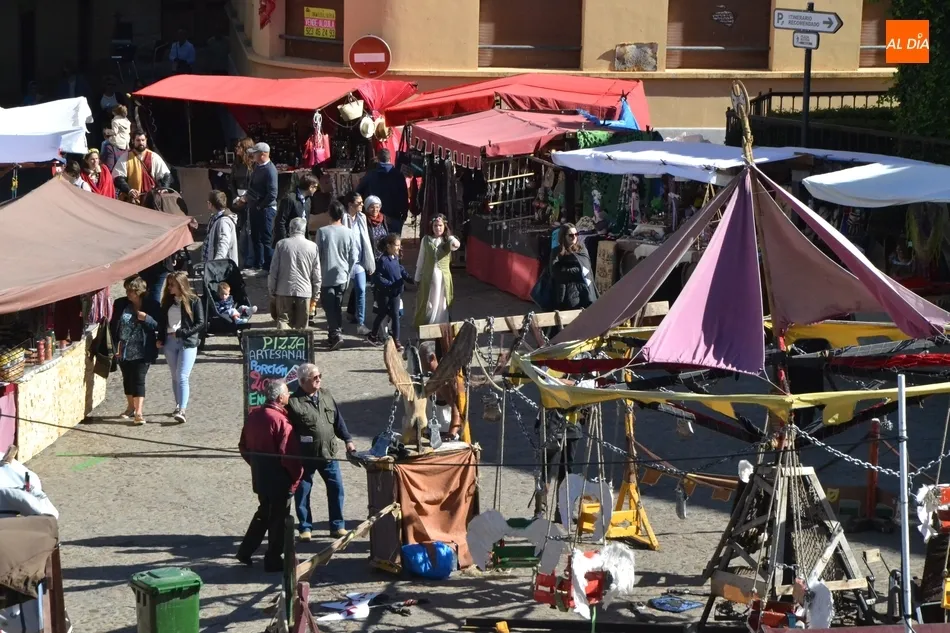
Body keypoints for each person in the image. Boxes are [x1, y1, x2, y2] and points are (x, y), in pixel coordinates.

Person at [237, 380, 303, 571]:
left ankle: (245, 550)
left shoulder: (254, 416)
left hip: (260, 475)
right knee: (278, 520)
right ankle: (273, 559)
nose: (289, 396)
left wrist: (256, 464)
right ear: (280, 397)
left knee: (264, 513)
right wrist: (295, 478)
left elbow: (243, 446)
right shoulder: (280, 420)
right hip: (279, 478)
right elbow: (288, 455)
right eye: (287, 393)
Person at [286, 364, 355, 540]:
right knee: (303, 492)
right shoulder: (293, 402)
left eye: (319, 376)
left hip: (328, 454)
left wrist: (348, 440)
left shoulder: (326, 395)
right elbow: (287, 432)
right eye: (314, 377)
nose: (319, 380)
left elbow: (338, 421)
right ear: (303, 381)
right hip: (305, 456)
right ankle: (305, 528)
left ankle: (337, 526)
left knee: (336, 489)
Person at [110, 276, 161, 426]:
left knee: (139, 379)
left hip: (142, 348)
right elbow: (114, 324)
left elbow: (159, 325)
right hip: (124, 349)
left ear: (138, 291)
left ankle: (139, 412)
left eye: (130, 290)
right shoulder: (120, 303)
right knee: (127, 378)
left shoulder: (152, 305)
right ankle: (130, 407)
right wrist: (114, 345)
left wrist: (147, 318)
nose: (127, 293)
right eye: (126, 290)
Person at [157, 271, 204, 425]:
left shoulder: (194, 300)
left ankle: (182, 410)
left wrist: (183, 333)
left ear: (181, 285)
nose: (169, 287)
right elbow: (162, 322)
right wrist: (160, 338)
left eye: (172, 285)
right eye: (169, 284)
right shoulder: (167, 301)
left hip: (187, 342)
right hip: (170, 342)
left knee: (182, 375)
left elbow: (200, 323)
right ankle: (178, 405)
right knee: (175, 375)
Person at [317, 201, 358, 349]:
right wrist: (348, 271)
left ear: (329, 214)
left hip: (326, 274)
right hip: (342, 275)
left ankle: (335, 334)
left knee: (329, 307)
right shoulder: (349, 232)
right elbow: (353, 256)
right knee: (337, 305)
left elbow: (317, 255)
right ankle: (334, 334)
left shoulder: (322, 232)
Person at [269, 217, 322, 330]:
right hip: (304, 291)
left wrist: (272, 290)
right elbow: (316, 274)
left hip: (283, 290)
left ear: (290, 229)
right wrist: (316, 294)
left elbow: (273, 271)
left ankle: (284, 341)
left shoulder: (281, 244)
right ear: (304, 229)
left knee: (283, 321)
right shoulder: (313, 246)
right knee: (301, 327)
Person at [414, 214, 461, 328]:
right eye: (435, 225)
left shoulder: (447, 240)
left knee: (442, 302)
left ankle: (442, 324)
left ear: (445, 226)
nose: (438, 228)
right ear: (431, 226)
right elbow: (421, 259)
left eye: (440, 225)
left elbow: (456, 245)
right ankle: (428, 324)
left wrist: (450, 237)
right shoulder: (426, 240)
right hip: (429, 277)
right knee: (429, 302)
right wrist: (417, 276)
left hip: (443, 278)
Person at [342, 191, 376, 336]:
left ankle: (361, 323)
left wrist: (369, 261)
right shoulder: (343, 218)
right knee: (341, 292)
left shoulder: (362, 217)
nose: (362, 205)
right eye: (359, 203)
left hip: (359, 262)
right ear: (350, 204)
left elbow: (366, 240)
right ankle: (336, 325)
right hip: (344, 262)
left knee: (361, 290)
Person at [368, 233, 411, 350]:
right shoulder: (382, 260)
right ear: (388, 246)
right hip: (384, 294)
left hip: (396, 293)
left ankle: (396, 340)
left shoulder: (395, 257)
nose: (399, 248)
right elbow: (378, 277)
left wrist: (409, 278)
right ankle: (373, 335)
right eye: (396, 245)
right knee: (382, 313)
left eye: (399, 245)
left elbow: (400, 270)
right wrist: (391, 284)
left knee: (395, 315)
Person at [242, 142, 278, 272]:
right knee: (255, 237)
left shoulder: (270, 170)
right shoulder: (258, 166)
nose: (253, 156)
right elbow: (253, 187)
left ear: (263, 154)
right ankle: (258, 264)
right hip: (255, 207)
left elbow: (272, 194)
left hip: (265, 209)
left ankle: (268, 267)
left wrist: (260, 206)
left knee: (266, 239)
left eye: (255, 153)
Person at [356, 149, 409, 236]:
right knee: (394, 242)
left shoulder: (370, 175)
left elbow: (358, 193)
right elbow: (404, 196)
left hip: (375, 216)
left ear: (378, 159)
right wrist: (404, 214)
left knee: (377, 242)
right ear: (390, 159)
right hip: (395, 216)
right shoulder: (398, 175)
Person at [113, 131, 172, 204]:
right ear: (133, 141)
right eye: (138, 140)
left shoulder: (154, 157)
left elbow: (166, 175)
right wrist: (129, 190)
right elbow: (118, 177)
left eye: (143, 140)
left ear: (146, 140)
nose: (141, 143)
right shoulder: (125, 157)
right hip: (132, 201)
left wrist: (164, 188)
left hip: (151, 201)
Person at [550, 223, 597, 313]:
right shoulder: (556, 251)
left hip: (583, 289)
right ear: (563, 236)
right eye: (571, 235)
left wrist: (565, 269)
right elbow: (554, 272)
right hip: (564, 291)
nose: (574, 237)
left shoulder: (581, 249)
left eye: (576, 234)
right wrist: (575, 270)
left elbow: (585, 269)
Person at [272, 172, 318, 246]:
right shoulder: (290, 199)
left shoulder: (308, 200)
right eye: (315, 187)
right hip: (289, 240)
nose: (316, 189)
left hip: (302, 240)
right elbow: (280, 221)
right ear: (310, 187)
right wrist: (285, 240)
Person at [230, 138, 256, 268]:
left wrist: (246, 198)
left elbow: (255, 184)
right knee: (240, 230)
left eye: (239, 147)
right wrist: (235, 197)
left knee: (248, 231)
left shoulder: (253, 165)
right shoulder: (236, 164)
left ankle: (250, 260)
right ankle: (242, 258)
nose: (237, 149)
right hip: (238, 200)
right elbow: (231, 182)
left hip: (250, 201)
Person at [204, 190, 239, 266]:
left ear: (210, 204)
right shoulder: (215, 218)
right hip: (214, 265)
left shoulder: (224, 221)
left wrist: (216, 263)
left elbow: (223, 244)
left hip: (222, 267)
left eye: (208, 202)